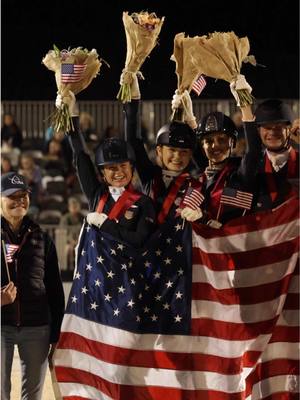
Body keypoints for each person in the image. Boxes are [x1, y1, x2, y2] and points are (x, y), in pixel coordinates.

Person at [58, 93, 157, 248]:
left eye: (123, 166)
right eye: (111, 168)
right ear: (103, 174)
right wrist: (71, 114)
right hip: (98, 272)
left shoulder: (144, 203)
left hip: (128, 272)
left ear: (132, 168)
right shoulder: (96, 195)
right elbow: (80, 155)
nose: (119, 172)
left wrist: (105, 224)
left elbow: (139, 241)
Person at [1, 172, 65, 400]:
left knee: (33, 395)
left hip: (37, 328)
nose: (19, 201)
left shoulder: (42, 238)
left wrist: (56, 332)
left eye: (23, 196)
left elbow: (55, 290)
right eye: (12, 196)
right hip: (1, 327)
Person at [172, 75, 261, 226]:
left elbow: (253, 151)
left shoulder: (240, 174)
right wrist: (187, 117)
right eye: (209, 141)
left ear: (232, 142)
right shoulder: (201, 175)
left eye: (222, 139)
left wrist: (245, 105)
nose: (215, 146)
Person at [123, 75, 202, 225]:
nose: (177, 156)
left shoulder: (196, 182)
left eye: (184, 151)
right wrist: (133, 97)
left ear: (191, 154)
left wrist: (191, 119)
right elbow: (133, 141)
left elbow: (204, 160)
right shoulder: (150, 176)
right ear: (159, 151)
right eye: (171, 150)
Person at [250, 99, 299, 211]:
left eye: (278, 127)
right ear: (258, 131)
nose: (272, 132)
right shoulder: (252, 166)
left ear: (289, 129)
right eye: (267, 127)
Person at [59, 196, 85, 270]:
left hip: (80, 241)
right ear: (69, 207)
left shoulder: (82, 217)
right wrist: (71, 241)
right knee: (68, 249)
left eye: (76, 206)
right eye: (72, 206)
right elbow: (63, 232)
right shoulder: (65, 218)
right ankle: (68, 270)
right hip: (67, 242)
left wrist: (78, 241)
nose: (74, 208)